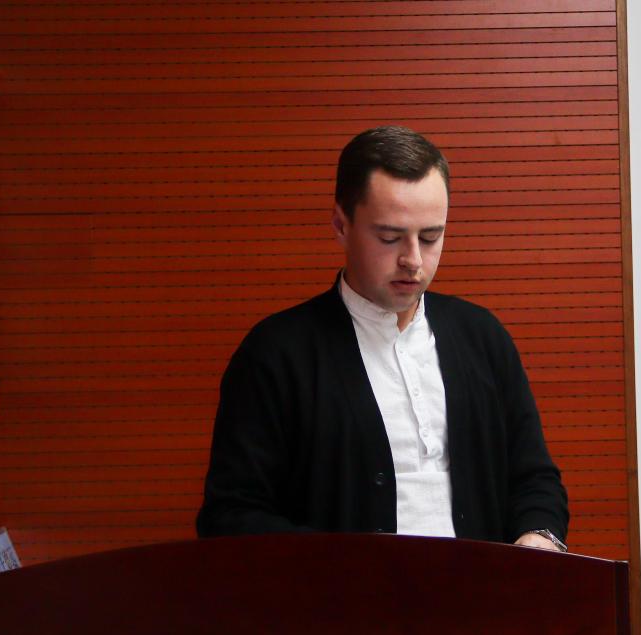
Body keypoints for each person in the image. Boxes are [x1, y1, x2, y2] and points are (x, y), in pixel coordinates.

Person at [196, 126, 568, 551]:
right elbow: (231, 515)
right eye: (390, 238)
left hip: (482, 591)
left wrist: (539, 538)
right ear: (341, 225)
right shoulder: (275, 354)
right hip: (340, 594)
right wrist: (350, 568)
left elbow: (535, 479)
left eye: (431, 237)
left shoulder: (483, 337)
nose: (413, 260)